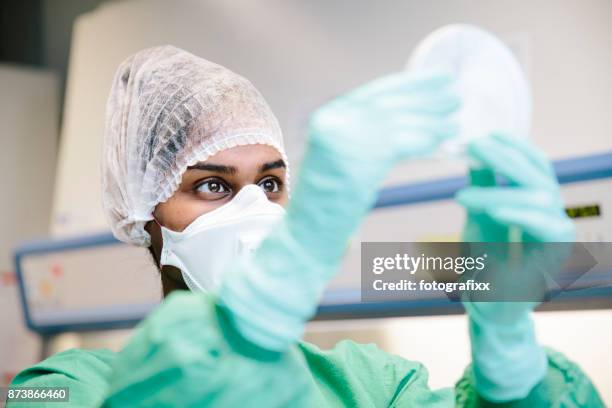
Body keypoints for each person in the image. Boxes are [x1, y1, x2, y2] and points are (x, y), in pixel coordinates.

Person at [9, 46, 603, 407]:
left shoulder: (373, 385)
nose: (254, 209)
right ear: (147, 216)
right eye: (212, 185)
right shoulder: (57, 385)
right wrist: (263, 304)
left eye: (270, 183)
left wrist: (509, 356)